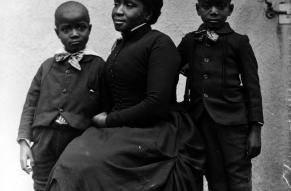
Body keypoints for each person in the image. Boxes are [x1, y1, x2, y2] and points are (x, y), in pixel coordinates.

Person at [45, 0, 205, 190]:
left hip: (153, 129)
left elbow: (156, 104)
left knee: (80, 165)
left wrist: (109, 120)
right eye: (117, 3)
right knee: (69, 161)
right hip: (120, 128)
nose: (118, 11)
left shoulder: (159, 43)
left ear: (148, 13)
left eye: (129, 5)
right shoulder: (121, 46)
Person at [17, 1, 104, 191]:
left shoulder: (99, 66)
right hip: (43, 139)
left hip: (77, 140)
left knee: (70, 184)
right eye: (67, 29)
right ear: (57, 32)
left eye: (80, 27)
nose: (74, 34)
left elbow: (106, 107)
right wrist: (24, 141)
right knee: (41, 182)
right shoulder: (47, 66)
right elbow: (30, 104)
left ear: (89, 29)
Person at [178, 0, 264, 190]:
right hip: (202, 120)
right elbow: (169, 67)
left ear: (230, 9)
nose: (214, 12)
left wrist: (255, 129)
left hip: (234, 122)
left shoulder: (239, 42)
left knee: (238, 175)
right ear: (198, 9)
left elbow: (252, 87)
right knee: (214, 176)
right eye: (207, 6)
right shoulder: (190, 41)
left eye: (221, 6)